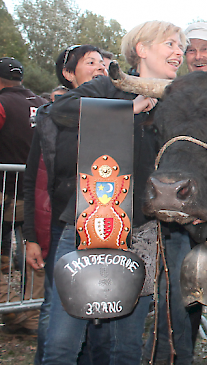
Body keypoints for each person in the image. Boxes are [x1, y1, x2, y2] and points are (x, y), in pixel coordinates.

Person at [39, 22, 186, 365]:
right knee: (62, 344)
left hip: (143, 236)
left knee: (125, 347)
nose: (180, 51)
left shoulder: (179, 100)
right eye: (171, 43)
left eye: (181, 45)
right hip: (84, 228)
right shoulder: (108, 85)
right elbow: (57, 111)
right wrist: (126, 110)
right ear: (142, 49)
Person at [22, 44, 107, 363]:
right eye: (90, 62)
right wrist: (31, 235)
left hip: (104, 227)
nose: (99, 67)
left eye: (102, 61)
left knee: (96, 305)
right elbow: (33, 180)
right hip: (63, 225)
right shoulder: (49, 118)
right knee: (55, 309)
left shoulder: (120, 111)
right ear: (68, 74)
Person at [0, 56, 46, 336]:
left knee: (4, 250)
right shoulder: (42, 104)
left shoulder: (2, 104)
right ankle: (30, 312)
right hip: (37, 193)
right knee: (34, 249)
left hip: (5, 193)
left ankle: (12, 308)